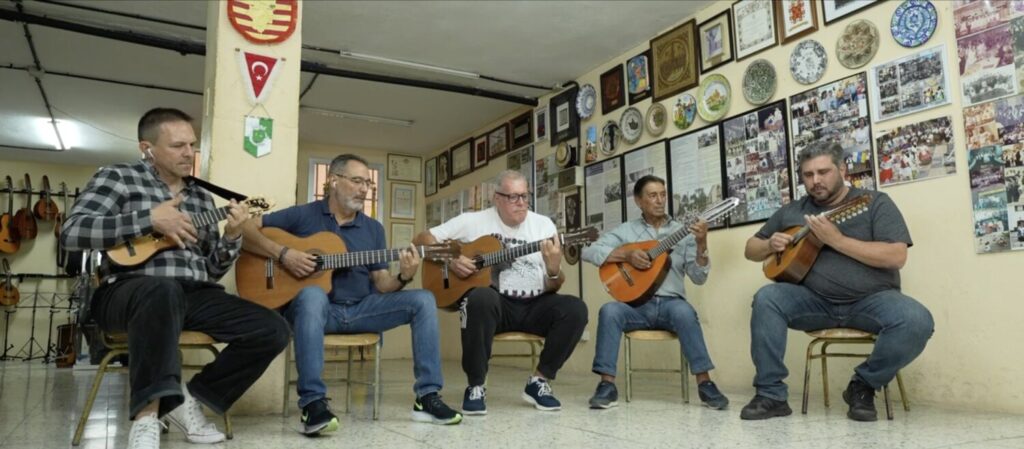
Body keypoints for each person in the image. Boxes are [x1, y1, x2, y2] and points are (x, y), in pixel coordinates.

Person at [61, 108, 291, 449]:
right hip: (126, 290)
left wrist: (232, 237)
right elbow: (72, 232)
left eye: (192, 145)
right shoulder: (118, 177)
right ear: (147, 148)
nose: (188, 153)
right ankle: (146, 417)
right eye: (177, 145)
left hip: (193, 294)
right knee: (161, 289)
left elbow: (211, 270)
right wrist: (149, 220)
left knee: (273, 329)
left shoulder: (201, 197)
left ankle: (188, 400)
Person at [241, 154, 461, 434]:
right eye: (357, 181)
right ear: (333, 180)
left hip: (361, 310)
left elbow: (382, 284)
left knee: (424, 300)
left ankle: (427, 397)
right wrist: (284, 254)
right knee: (312, 294)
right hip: (318, 312)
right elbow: (245, 230)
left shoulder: (373, 229)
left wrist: (404, 276)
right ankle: (313, 404)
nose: (364, 189)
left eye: (368, 183)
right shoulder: (303, 214)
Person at [741, 141, 934, 422]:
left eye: (823, 172)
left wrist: (837, 240)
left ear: (842, 169)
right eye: (808, 175)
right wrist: (769, 244)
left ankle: (863, 386)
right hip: (814, 303)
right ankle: (771, 395)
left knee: (917, 320)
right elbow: (750, 249)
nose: (815, 181)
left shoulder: (874, 202)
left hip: (872, 302)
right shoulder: (792, 211)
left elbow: (896, 256)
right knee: (766, 299)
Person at [414, 170, 588, 414]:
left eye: (525, 196)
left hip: (535, 305)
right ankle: (476, 385)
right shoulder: (472, 221)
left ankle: (539, 381)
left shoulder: (543, 225)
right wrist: (451, 259)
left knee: (575, 308)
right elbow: (422, 239)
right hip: (494, 308)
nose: (521, 203)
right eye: (513, 197)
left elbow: (555, 284)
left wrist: (553, 269)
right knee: (479, 297)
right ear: (497, 198)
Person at [581, 175, 728, 410]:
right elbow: (588, 252)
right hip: (636, 306)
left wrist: (702, 244)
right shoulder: (627, 230)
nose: (660, 200)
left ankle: (705, 384)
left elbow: (699, 278)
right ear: (639, 201)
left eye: (662, 194)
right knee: (609, 311)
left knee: (685, 312)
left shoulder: (683, 232)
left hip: (672, 305)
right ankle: (606, 386)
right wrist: (626, 255)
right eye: (652, 195)